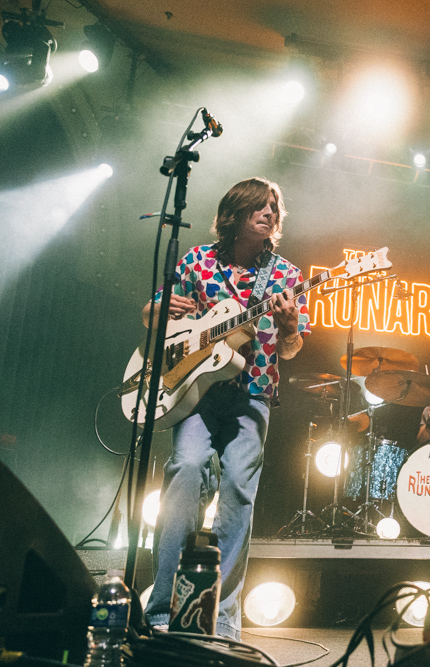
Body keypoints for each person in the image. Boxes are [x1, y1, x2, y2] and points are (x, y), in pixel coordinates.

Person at [142, 177, 310, 639]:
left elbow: (292, 349)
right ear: (235, 212)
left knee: (238, 490)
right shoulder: (197, 259)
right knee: (186, 470)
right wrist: (156, 313)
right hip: (196, 393)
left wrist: (289, 326)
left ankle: (223, 617)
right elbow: (154, 312)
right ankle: (162, 608)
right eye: (260, 206)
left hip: (253, 393)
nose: (270, 213)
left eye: (275, 207)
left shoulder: (286, 275)